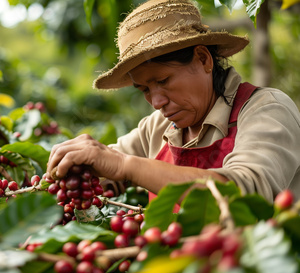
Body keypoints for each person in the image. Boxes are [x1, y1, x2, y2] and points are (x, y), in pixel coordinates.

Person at [46, 0, 300, 204]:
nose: (156, 102)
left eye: (164, 80)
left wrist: (126, 165)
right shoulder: (157, 128)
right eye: (144, 89)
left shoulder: (266, 110)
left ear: (203, 59)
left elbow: (245, 192)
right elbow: (102, 168)